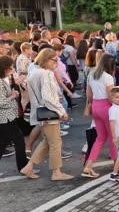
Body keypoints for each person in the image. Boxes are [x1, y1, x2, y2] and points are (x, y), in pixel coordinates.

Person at [20, 49, 73, 181]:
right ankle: (56, 172)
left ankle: (29, 167)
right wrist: (61, 111)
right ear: (46, 59)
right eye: (54, 59)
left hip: (40, 112)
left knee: (47, 142)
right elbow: (49, 98)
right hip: (49, 113)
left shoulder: (34, 72)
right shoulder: (46, 74)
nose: (57, 62)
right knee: (55, 143)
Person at [83, 54, 119, 178]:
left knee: (100, 138)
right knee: (114, 136)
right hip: (106, 107)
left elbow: (89, 95)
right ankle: (118, 165)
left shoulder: (91, 74)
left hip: (96, 106)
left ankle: (88, 165)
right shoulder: (108, 77)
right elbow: (110, 96)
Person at [0, 56, 29, 177]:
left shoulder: (3, 80)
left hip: (7, 117)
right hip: (5, 117)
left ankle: (24, 167)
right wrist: (12, 96)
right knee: (17, 139)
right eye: (10, 68)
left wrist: (12, 94)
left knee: (5, 142)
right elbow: (1, 102)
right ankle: (23, 167)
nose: (12, 70)